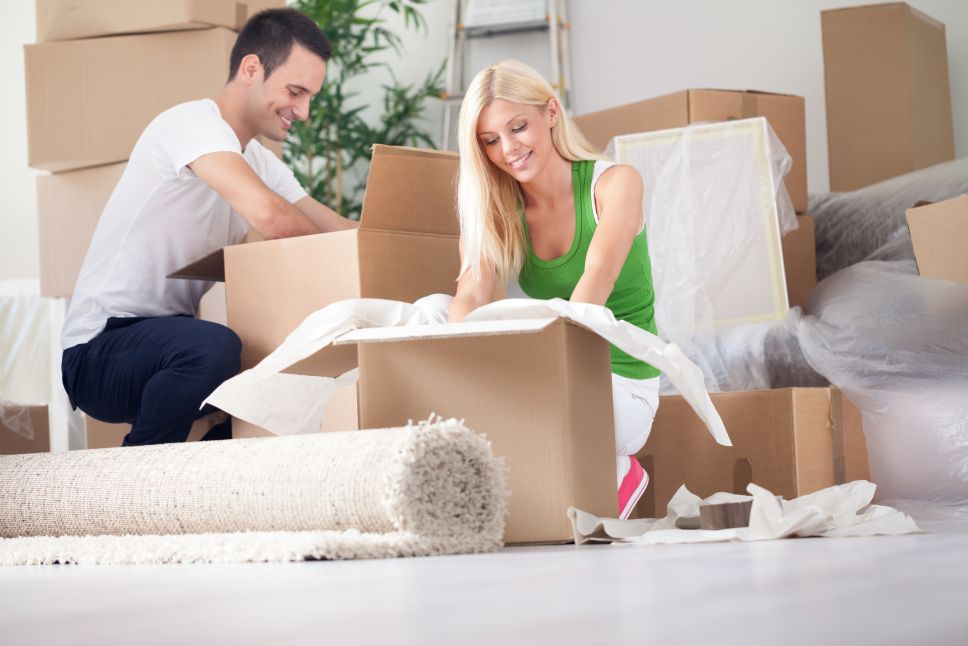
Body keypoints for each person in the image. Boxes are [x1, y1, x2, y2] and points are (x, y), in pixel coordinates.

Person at [60, 8, 356, 447]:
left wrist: (398, 251)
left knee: (277, 376)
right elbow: (273, 218)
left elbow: (336, 231)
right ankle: (135, 478)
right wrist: (342, 267)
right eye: (296, 91)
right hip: (99, 350)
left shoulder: (260, 162)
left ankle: (209, 481)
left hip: (166, 344)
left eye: (310, 96)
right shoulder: (190, 124)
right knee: (213, 348)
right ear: (251, 68)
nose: (305, 111)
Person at [449, 59, 660, 519]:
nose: (508, 149)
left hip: (620, 382)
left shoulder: (615, 184)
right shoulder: (498, 211)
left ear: (550, 113)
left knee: (519, 408)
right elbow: (470, 294)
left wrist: (518, 382)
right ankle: (593, 469)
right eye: (490, 141)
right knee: (433, 310)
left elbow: (593, 289)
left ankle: (616, 470)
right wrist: (453, 364)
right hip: (553, 374)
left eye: (518, 127)